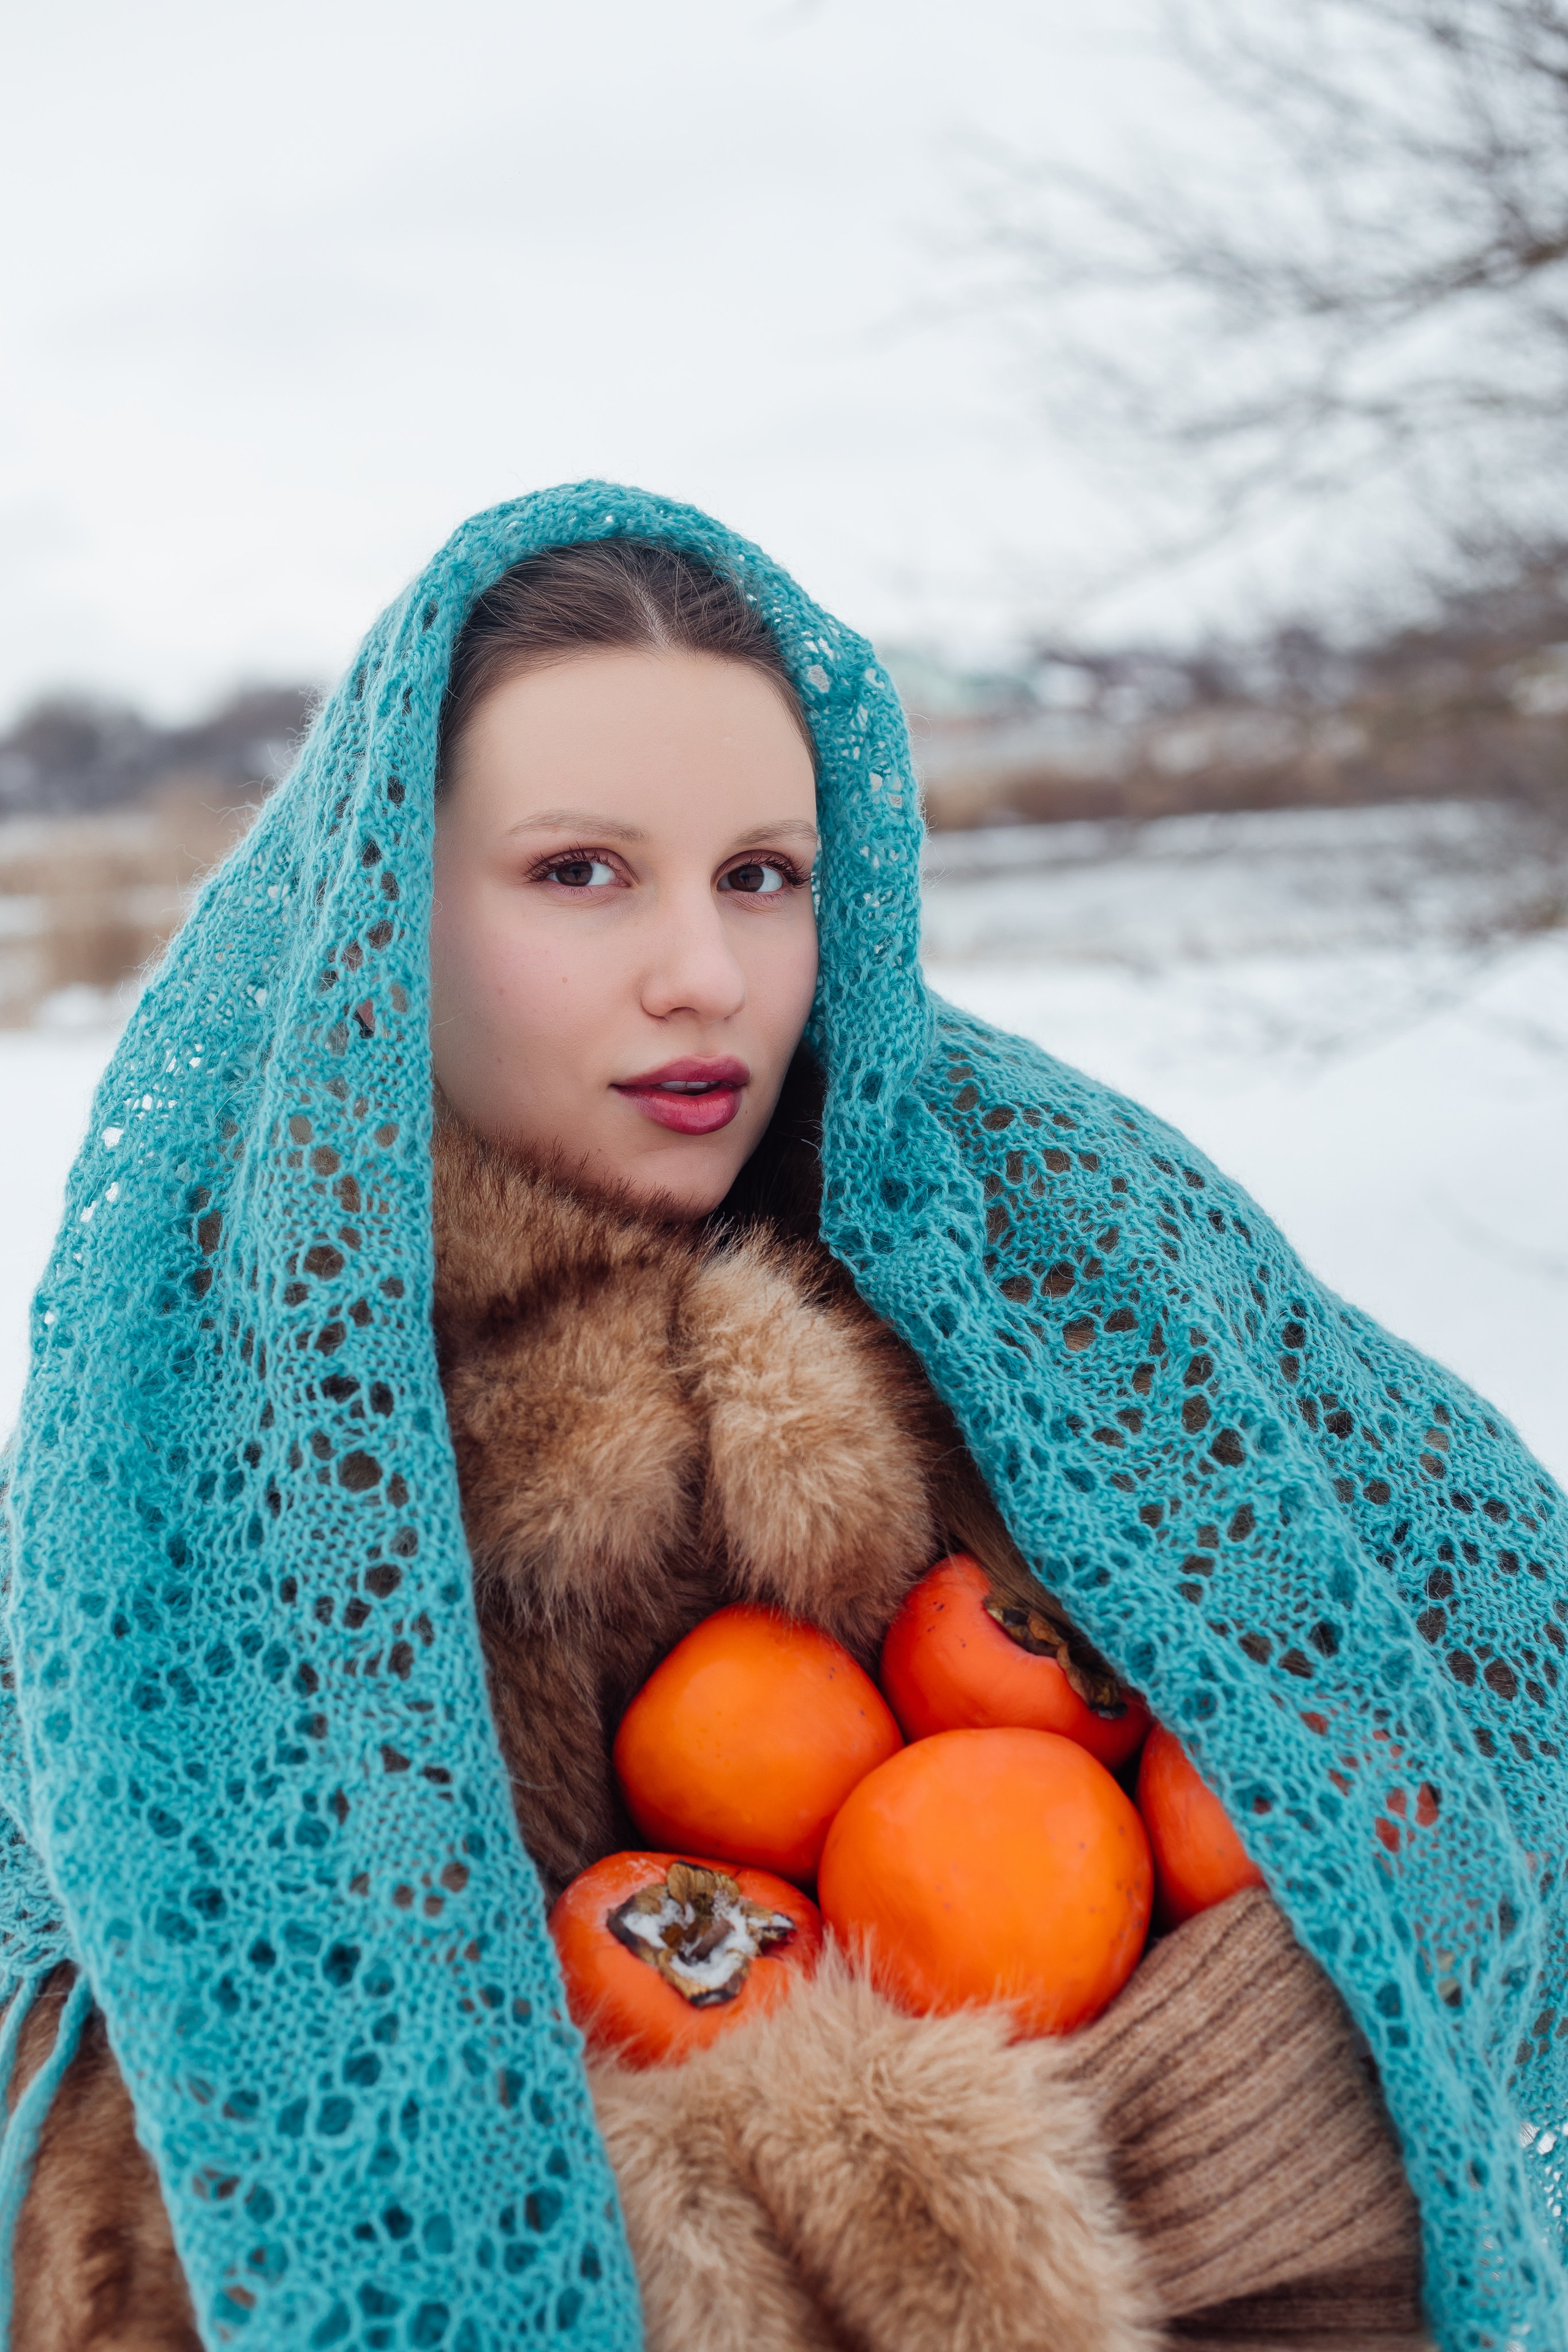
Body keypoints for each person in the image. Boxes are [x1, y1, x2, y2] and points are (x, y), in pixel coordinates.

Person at [1, 489, 1562, 2352]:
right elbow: (157, 2205)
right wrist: (1010, 2194)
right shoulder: (206, 1460)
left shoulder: (1039, 1258)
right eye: (581, 871)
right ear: (384, 907)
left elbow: (1482, 1758)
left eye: (764, 874)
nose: (708, 976)